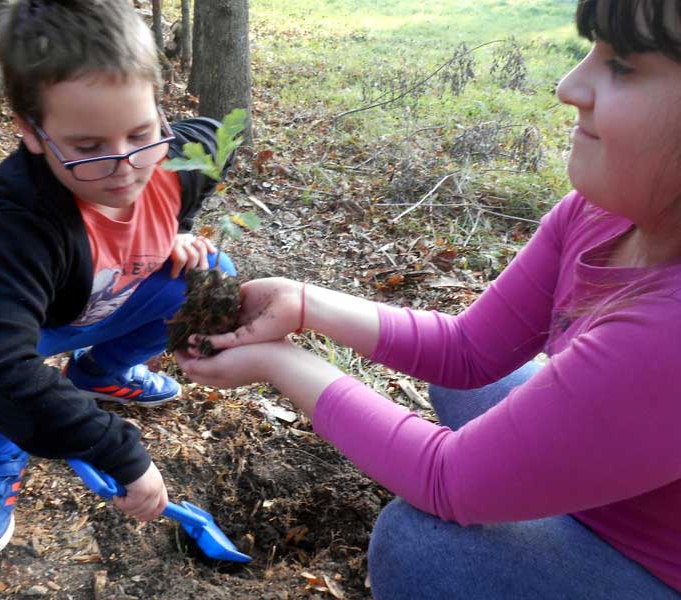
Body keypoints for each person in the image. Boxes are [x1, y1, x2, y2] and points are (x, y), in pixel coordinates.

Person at [175, 0, 681, 597]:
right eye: (589, 51)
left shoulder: (666, 334)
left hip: (653, 561)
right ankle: (542, 502)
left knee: (426, 548)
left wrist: (279, 361)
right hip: (622, 486)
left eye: (622, 66)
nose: (568, 85)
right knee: (472, 385)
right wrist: (305, 303)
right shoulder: (600, 213)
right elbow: (467, 350)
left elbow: (448, 480)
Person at [0, 0, 235, 562]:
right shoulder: (20, 221)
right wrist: (118, 452)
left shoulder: (180, 159)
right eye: (87, 147)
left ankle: (102, 372)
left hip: (105, 297)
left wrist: (175, 228)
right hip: (9, 325)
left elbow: (221, 139)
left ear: (157, 106)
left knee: (210, 272)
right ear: (32, 133)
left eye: (141, 132)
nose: (125, 166)